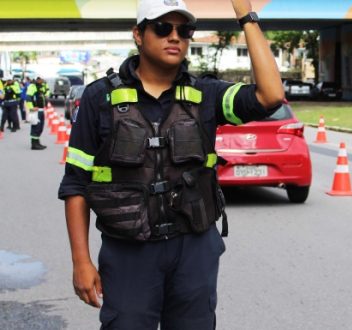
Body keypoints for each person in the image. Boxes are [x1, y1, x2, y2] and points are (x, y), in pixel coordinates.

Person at [57, 0, 283, 328]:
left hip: (194, 249)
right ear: (138, 34)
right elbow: (76, 183)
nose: (174, 36)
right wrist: (81, 261)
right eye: (163, 28)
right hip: (128, 253)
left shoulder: (206, 95)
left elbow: (270, 96)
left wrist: (246, 16)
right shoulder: (99, 99)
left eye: (184, 30)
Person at [25, 77, 49, 150]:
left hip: (41, 109)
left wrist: (46, 93)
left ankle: (37, 142)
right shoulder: (32, 86)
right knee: (36, 127)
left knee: (40, 127)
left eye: (41, 79)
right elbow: (28, 97)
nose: (40, 80)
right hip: (35, 110)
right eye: (38, 79)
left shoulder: (42, 86)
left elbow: (47, 92)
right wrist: (31, 107)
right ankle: (34, 144)